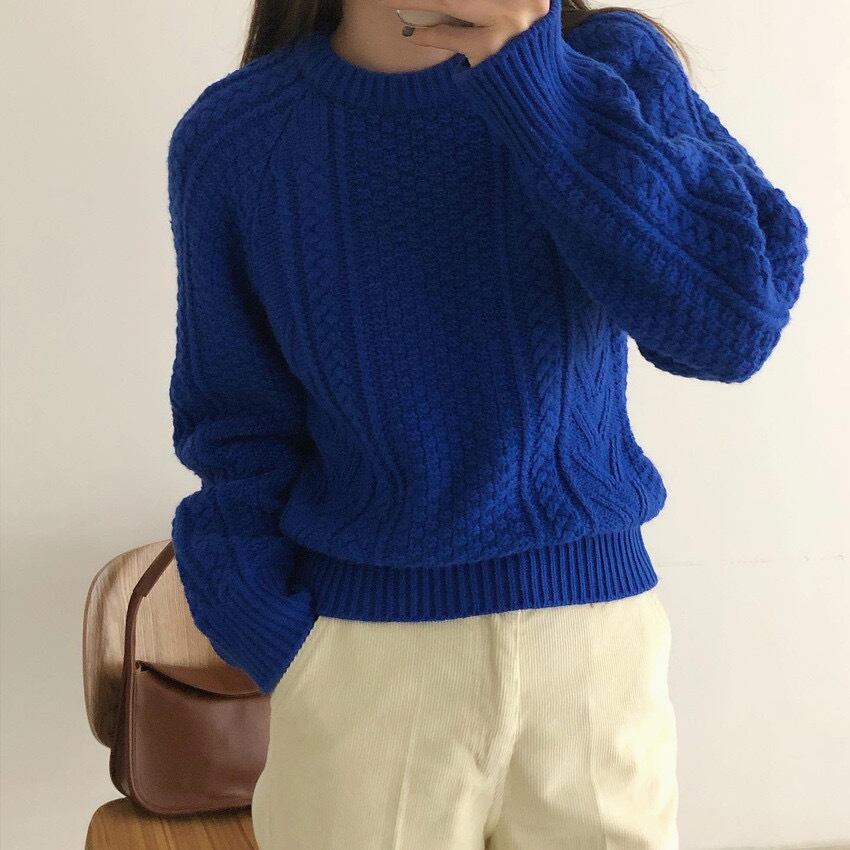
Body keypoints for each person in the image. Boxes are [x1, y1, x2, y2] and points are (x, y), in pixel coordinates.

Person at [165, 0, 809, 846]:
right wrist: (281, 641)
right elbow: (234, 424)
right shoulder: (239, 136)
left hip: (593, 660)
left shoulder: (607, 68)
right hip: (362, 667)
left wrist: (535, 83)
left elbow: (733, 327)